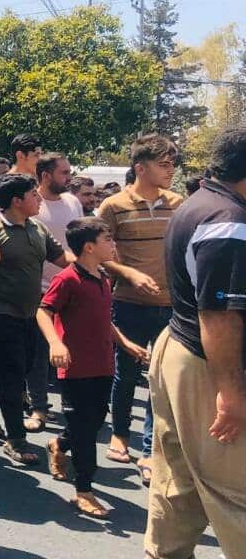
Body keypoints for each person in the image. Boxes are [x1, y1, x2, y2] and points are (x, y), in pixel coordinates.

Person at [145, 126, 246, 558]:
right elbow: (219, 316)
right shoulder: (228, 222)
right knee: (235, 489)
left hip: (180, 347)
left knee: (178, 482)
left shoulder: (200, 203)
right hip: (208, 363)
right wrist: (230, 392)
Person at [39, 217, 149, 518]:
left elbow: (103, 320)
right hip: (74, 368)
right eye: (108, 239)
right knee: (85, 430)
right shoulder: (67, 279)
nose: (113, 244)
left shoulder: (101, 278)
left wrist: (125, 343)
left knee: (94, 421)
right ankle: (84, 489)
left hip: (103, 365)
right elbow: (44, 311)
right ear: (89, 247)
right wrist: (55, 344)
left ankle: (58, 445)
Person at [97, 134, 182, 480]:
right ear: (140, 168)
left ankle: (150, 450)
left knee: (160, 380)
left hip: (171, 306)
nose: (171, 170)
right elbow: (97, 256)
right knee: (126, 374)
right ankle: (120, 434)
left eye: (172, 164)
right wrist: (127, 272)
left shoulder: (178, 204)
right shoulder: (113, 206)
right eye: (164, 164)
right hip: (129, 304)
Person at [0, 172, 69, 465]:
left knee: (22, 368)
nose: (39, 199)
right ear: (17, 201)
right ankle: (15, 439)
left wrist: (101, 264)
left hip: (32, 313)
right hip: (0, 314)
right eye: (33, 195)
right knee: (14, 373)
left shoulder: (37, 228)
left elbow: (62, 258)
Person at [22, 153, 85, 432]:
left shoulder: (73, 202)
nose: (69, 178)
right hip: (37, 292)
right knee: (38, 356)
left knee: (71, 350)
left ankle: (75, 406)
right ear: (45, 175)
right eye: (63, 173)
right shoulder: (31, 204)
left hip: (72, 288)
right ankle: (38, 408)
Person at [0, 134, 41, 222]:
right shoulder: (0, 184)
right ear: (20, 155)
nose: (40, 159)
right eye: (36, 155)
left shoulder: (37, 182)